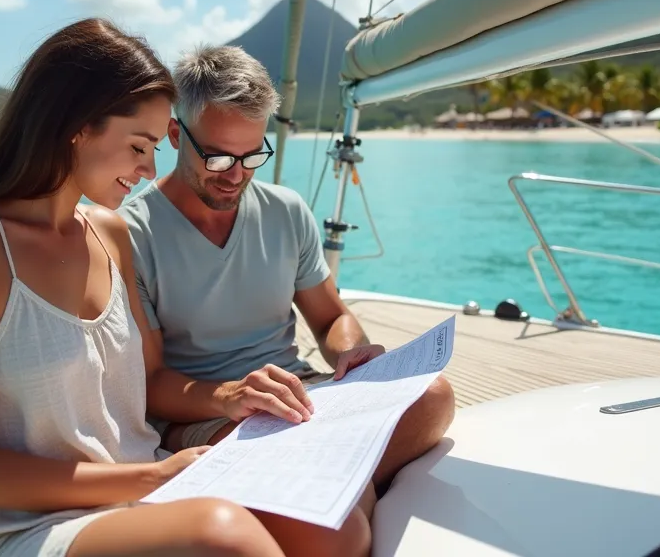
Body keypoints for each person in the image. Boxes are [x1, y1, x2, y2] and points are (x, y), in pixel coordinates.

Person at [0, 19, 370, 557]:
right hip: (30, 525)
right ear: (77, 126)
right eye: (139, 146)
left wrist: (229, 400)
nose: (149, 170)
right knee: (221, 537)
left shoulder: (110, 232)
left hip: (149, 486)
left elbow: (147, 382)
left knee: (339, 533)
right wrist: (153, 477)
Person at [118, 44, 455, 498]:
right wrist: (230, 395)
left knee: (434, 396)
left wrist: (350, 355)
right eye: (218, 158)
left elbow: (331, 317)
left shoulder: (287, 210)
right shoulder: (130, 234)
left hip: (300, 394)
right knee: (317, 474)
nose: (236, 175)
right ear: (176, 136)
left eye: (252, 156)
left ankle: (335, 490)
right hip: (205, 414)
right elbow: (149, 382)